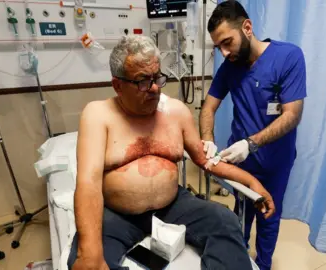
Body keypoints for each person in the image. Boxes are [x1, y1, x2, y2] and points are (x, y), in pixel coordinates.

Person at [68, 35, 276, 270]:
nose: (155, 88)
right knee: (84, 262)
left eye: (157, 77)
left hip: (173, 206)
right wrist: (90, 251)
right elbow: (88, 182)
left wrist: (252, 182)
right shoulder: (98, 115)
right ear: (118, 85)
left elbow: (205, 160)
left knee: (224, 220)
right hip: (117, 214)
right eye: (143, 81)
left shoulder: (176, 112)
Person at [200, 1, 307, 270]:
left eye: (227, 42)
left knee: (268, 216)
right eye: (218, 47)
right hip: (242, 163)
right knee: (241, 215)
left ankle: (263, 265)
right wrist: (207, 139)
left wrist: (251, 143)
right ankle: (238, 260)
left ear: (247, 28)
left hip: (275, 162)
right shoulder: (230, 66)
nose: (224, 53)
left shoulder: (288, 57)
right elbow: (208, 107)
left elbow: (292, 115)